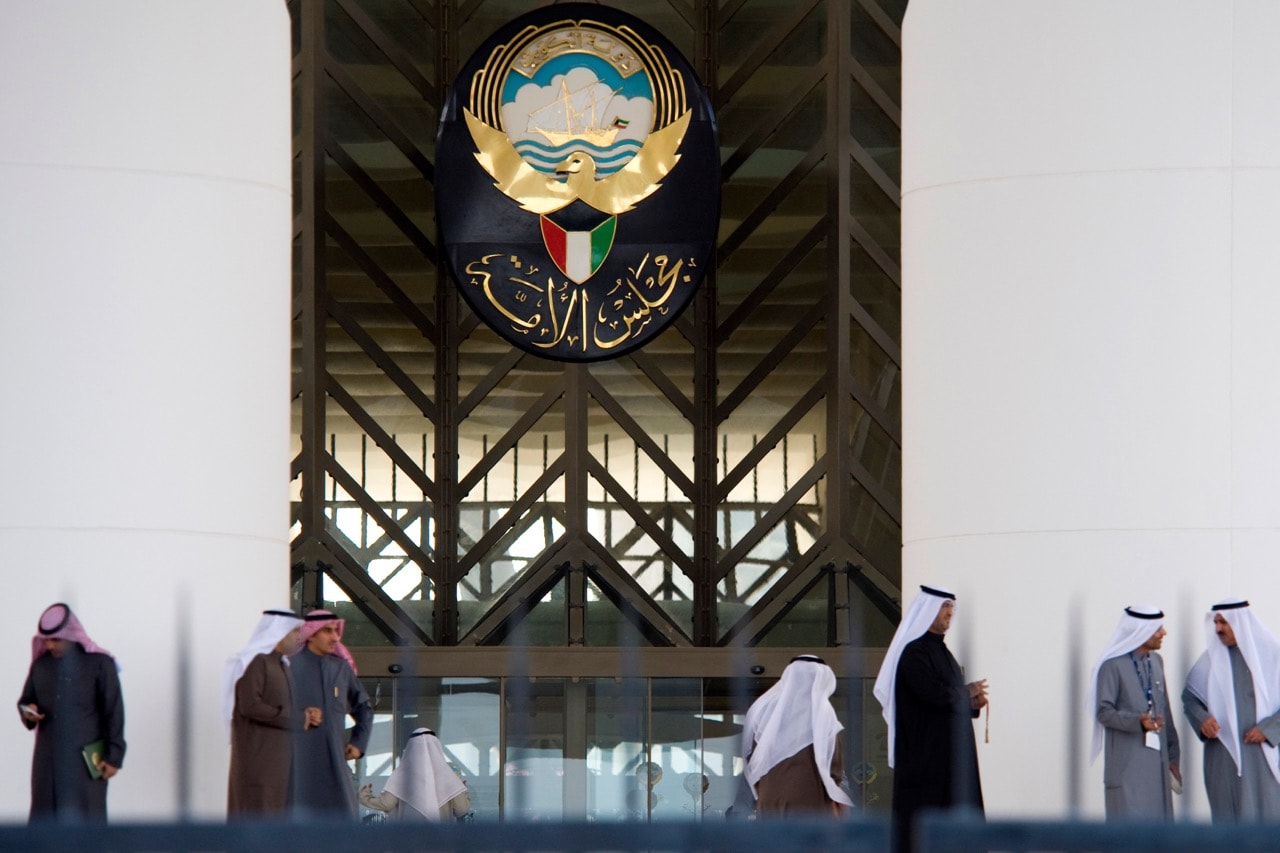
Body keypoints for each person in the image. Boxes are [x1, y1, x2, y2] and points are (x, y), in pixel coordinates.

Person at [873, 585, 985, 852]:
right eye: (945, 607)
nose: (950, 613)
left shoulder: (944, 654)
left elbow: (947, 698)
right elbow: (931, 694)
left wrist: (972, 704)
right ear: (928, 610)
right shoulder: (913, 653)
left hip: (951, 759)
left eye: (951, 608)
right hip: (926, 762)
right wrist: (966, 691)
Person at [17, 603, 126, 821]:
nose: (49, 645)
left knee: (87, 824)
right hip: (47, 761)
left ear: (71, 635)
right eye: (46, 640)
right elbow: (26, 701)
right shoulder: (41, 667)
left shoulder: (100, 664)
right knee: (45, 822)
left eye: (56, 639)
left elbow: (113, 712)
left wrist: (113, 757)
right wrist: (29, 711)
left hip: (86, 761)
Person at [1182, 598, 1280, 821]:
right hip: (1223, 755)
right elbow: (1189, 698)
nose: (1218, 629)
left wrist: (1269, 729)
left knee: (1268, 815)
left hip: (1263, 754)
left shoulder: (1273, 657)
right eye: (1215, 623)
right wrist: (1202, 719)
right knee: (1227, 817)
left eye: (1224, 623)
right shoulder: (1209, 661)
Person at [1088, 605, 1181, 819]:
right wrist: (1137, 722)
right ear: (1141, 630)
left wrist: (1174, 756)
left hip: (1157, 765)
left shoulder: (1156, 662)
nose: (1163, 633)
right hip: (1128, 766)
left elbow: (1165, 710)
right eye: (1158, 628)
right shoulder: (1112, 666)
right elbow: (1103, 712)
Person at [741, 654, 853, 816]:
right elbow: (834, 769)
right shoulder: (821, 712)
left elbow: (749, 757)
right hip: (810, 803)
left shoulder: (762, 710)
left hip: (769, 800)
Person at [289, 609, 373, 817]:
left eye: (336, 630)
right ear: (311, 633)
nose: (335, 637)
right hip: (298, 764)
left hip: (335, 761)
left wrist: (358, 742)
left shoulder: (341, 668)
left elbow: (364, 706)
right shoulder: (289, 666)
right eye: (327, 631)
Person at [224, 607, 304, 817]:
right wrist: (295, 717)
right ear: (279, 633)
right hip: (259, 763)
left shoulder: (282, 666)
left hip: (281, 763)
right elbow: (250, 706)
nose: (299, 637)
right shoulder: (256, 662)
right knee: (257, 817)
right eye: (295, 631)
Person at [359, 728, 471, 820]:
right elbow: (461, 810)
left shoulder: (401, 774)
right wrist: (462, 790)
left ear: (410, 748)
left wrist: (364, 796)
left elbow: (386, 804)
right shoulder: (448, 776)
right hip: (441, 842)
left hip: (409, 841)